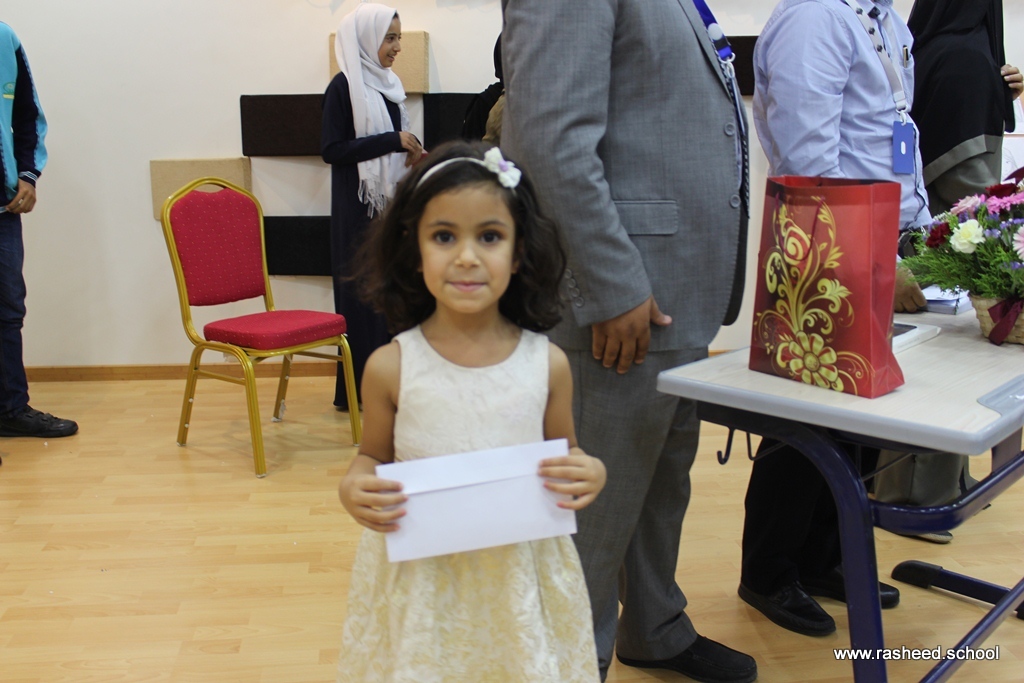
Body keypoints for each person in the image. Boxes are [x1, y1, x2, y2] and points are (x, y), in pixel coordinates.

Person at [502, 2, 755, 682]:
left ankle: (654, 626)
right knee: (588, 514)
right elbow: (548, 141)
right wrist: (609, 284)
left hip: (673, 289)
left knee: (659, 479)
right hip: (618, 296)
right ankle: (565, 665)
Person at [335, 141, 607, 682]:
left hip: (518, 577)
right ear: (414, 249)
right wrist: (354, 486)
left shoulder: (547, 365)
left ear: (519, 251)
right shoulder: (391, 367)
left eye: (489, 236)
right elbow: (372, 456)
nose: (466, 257)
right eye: (444, 236)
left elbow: (568, 452)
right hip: (424, 580)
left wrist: (589, 470)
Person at [740, 0, 933, 637]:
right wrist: (870, 255)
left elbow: (894, 128)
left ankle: (823, 557)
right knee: (808, 416)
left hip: (883, 233)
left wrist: (918, 230)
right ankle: (768, 571)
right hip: (830, 239)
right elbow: (809, 161)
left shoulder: (886, 19)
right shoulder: (816, 18)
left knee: (858, 414)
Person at [871, 0, 1024, 531]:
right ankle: (920, 499)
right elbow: (973, 199)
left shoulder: (929, 49)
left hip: (919, 236)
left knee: (923, 367)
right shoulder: (967, 60)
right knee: (946, 367)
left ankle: (929, 488)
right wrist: (999, 249)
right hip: (945, 251)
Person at [321, 2, 422, 411]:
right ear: (366, 39)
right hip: (357, 209)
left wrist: (412, 151)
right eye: (389, 38)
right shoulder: (342, 87)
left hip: (388, 211)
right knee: (360, 298)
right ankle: (358, 392)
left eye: (398, 38)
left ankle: (388, 388)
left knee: (388, 296)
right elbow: (332, 150)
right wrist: (391, 141)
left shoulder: (390, 86)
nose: (397, 46)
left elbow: (393, 146)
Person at [0, 22, 77, 440]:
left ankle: (10, 409)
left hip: (2, 209)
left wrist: (28, 175)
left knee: (8, 311)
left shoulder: (4, 38)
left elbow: (27, 116)